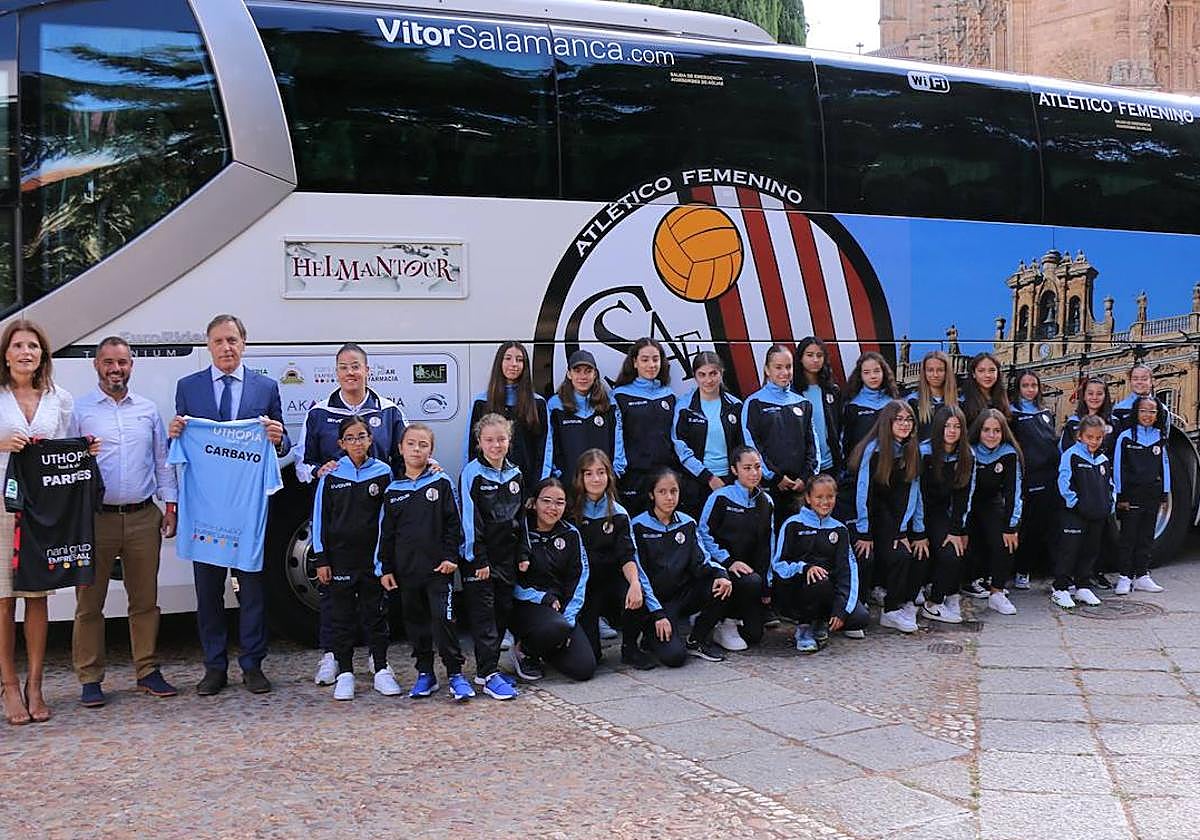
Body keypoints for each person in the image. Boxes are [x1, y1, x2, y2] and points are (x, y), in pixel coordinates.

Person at [169, 314, 289, 696]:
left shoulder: (265, 387)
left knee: (252, 588)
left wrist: (276, 436)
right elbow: (183, 444)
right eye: (219, 341)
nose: (226, 347)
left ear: (244, 343)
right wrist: (176, 434)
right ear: (208, 345)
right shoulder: (188, 387)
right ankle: (214, 667)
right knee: (207, 592)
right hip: (205, 509)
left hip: (246, 509)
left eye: (233, 340)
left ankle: (253, 665)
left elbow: (280, 445)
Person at [72, 336, 178, 709]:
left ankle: (147, 671)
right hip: (95, 519)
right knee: (89, 602)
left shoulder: (147, 410)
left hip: (141, 517)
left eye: (123, 363)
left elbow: (162, 461)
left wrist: (171, 507)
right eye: (109, 363)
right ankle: (89, 677)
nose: (116, 369)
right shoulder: (80, 410)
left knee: (145, 600)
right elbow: (66, 465)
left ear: (131, 366)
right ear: (96, 365)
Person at [298, 343, 406, 687]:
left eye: (356, 366)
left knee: (376, 601)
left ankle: (379, 662)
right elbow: (302, 464)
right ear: (336, 373)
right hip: (338, 521)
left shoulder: (388, 411)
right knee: (335, 601)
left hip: (375, 527)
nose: (350, 373)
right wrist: (321, 471)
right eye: (344, 367)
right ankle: (332, 657)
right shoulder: (318, 412)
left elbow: (403, 460)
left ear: (367, 370)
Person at [0, 320, 87, 724]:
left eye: (33, 346)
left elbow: (63, 451)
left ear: (43, 355)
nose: (25, 352)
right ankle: (10, 687)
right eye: (18, 346)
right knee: (3, 603)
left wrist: (85, 451)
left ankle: (36, 685)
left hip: (42, 512)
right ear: (6, 354)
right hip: (2, 509)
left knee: (37, 598)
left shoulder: (59, 399)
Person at [377, 423, 474, 701]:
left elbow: (453, 524)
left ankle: (455, 674)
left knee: (443, 620)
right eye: (411, 444)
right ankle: (425, 674)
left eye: (423, 445)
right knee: (416, 623)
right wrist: (385, 568)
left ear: (431, 450)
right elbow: (387, 533)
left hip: (438, 571)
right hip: (407, 572)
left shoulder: (440, 482)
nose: (416, 449)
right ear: (400, 448)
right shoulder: (393, 490)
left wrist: (450, 557)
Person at [311, 416, 396, 701]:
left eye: (362, 436)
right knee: (342, 618)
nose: (357, 442)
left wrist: (385, 559)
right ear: (341, 444)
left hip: (373, 561)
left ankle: (381, 669)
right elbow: (320, 518)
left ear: (371, 440)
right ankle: (345, 673)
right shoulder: (332, 475)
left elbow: (389, 520)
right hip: (340, 562)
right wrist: (321, 559)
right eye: (350, 438)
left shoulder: (383, 472)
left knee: (376, 616)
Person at [631, 468, 734, 666]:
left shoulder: (687, 523)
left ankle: (697, 640)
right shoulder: (638, 526)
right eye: (662, 492)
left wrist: (721, 573)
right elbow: (640, 575)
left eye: (674, 491)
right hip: (656, 602)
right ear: (652, 494)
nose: (669, 497)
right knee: (675, 658)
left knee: (723, 585)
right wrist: (658, 613)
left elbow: (702, 559)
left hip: (684, 594)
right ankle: (651, 636)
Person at [571, 448, 663, 669]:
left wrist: (634, 584)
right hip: (584, 586)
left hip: (612, 580)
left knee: (634, 593)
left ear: (609, 476)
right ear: (580, 477)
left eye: (601, 472)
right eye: (589, 473)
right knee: (590, 659)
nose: (595, 478)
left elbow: (627, 554)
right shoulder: (570, 511)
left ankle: (630, 648)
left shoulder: (619, 513)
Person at [848, 400, 927, 634]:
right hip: (865, 517)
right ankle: (857, 609)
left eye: (909, 419)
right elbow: (863, 494)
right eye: (899, 419)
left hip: (893, 519)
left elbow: (915, 494)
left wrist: (909, 530)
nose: (904, 424)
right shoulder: (872, 451)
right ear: (887, 422)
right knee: (865, 555)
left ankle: (892, 610)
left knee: (904, 553)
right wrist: (864, 532)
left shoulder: (912, 451)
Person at [458, 413, 523, 700]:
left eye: (501, 439)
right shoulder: (472, 473)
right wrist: (477, 559)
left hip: (508, 559)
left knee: (501, 614)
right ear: (479, 443)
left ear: (509, 441)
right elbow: (470, 520)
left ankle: (489, 670)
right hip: (481, 562)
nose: (496, 445)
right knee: (484, 619)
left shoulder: (515, 474)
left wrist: (523, 552)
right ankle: (487, 673)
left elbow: (520, 519)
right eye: (489, 440)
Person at [511, 478, 596, 682]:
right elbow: (509, 580)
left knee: (584, 668)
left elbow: (579, 577)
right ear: (534, 502)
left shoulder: (570, 534)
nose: (552, 507)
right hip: (527, 605)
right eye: (546, 501)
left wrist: (569, 618)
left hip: (560, 612)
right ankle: (525, 650)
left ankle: (548, 646)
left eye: (559, 502)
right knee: (556, 627)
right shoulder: (520, 533)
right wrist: (541, 597)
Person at [771, 474, 869, 651]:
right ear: (808, 498)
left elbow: (847, 571)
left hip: (827, 589)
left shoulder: (839, 529)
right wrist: (804, 568)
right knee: (818, 581)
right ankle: (804, 627)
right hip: (797, 589)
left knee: (859, 618)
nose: (825, 502)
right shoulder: (793, 524)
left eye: (830, 497)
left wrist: (841, 610)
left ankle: (821, 622)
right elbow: (779, 564)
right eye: (819, 497)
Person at [697, 446, 774, 651]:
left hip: (752, 578)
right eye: (747, 468)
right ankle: (724, 622)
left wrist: (767, 584)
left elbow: (769, 544)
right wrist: (728, 562)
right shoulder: (720, 498)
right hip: (723, 571)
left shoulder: (766, 502)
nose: (754, 473)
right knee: (749, 580)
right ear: (734, 470)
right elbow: (703, 534)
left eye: (757, 467)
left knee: (754, 636)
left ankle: (741, 618)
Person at [742, 344, 818, 528]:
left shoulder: (803, 403)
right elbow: (752, 445)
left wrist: (805, 477)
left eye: (788, 367)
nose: (784, 372)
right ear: (767, 370)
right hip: (770, 488)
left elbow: (812, 444)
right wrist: (775, 477)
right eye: (778, 367)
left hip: (800, 488)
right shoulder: (754, 403)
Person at [464, 341, 547, 493]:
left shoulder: (538, 404)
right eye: (508, 358)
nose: (514, 364)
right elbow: (470, 450)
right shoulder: (481, 403)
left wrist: (537, 490)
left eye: (519, 360)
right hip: (487, 489)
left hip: (526, 490)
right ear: (499, 363)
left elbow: (544, 450)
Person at [1059, 377, 1117, 592]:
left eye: (1099, 393)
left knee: (1099, 539)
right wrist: (1073, 500)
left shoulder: (1112, 424)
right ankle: (1066, 581)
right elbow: (1066, 459)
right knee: (1074, 542)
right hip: (1081, 491)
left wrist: (1111, 496)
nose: (1094, 397)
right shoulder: (1074, 424)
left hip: (1101, 487)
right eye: (1090, 393)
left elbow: (1113, 457)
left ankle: (1094, 574)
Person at [1051, 416, 1114, 609]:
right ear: (1080, 436)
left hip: (1097, 515)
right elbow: (1064, 482)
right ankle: (1060, 588)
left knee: (1090, 550)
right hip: (1075, 514)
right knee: (1069, 551)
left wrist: (1109, 504)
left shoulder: (1103, 460)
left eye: (1098, 438)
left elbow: (1110, 485)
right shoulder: (1071, 455)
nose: (1093, 442)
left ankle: (1083, 585)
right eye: (1089, 437)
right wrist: (1075, 503)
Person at [918, 406, 973, 624]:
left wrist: (956, 530)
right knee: (918, 554)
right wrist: (918, 530)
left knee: (953, 552)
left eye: (957, 426)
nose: (951, 431)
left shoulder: (967, 455)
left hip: (942, 514)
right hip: (917, 514)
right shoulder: (924, 452)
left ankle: (935, 602)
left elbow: (964, 494)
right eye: (947, 426)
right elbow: (916, 493)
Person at [672, 351, 744, 518]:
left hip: (731, 482)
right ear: (695, 377)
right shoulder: (684, 407)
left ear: (721, 372)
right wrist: (708, 477)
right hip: (697, 483)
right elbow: (681, 448)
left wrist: (737, 478)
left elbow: (743, 447)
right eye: (702, 375)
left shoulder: (736, 406)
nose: (708, 380)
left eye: (713, 373)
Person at [966, 409, 1023, 615]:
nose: (991, 435)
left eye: (997, 431)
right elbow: (965, 490)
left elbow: (1013, 492)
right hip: (967, 505)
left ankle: (997, 592)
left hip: (991, 503)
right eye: (986, 430)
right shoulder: (969, 451)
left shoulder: (1009, 454)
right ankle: (963, 584)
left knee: (1005, 542)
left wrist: (1011, 526)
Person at [612, 337, 678, 515]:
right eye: (645, 359)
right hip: (632, 477)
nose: (651, 365)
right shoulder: (620, 396)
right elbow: (615, 438)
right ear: (634, 362)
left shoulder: (669, 395)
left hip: (663, 476)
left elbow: (674, 437)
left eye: (655, 359)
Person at [1009, 370, 1060, 590]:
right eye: (1025, 385)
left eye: (1034, 385)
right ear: (1018, 388)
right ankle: (1022, 570)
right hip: (1030, 476)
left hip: (1050, 475)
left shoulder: (1045, 412)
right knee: (1028, 525)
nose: (1030, 389)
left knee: (1047, 524)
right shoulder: (1014, 413)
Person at [1112, 397, 1168, 595]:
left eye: (1152, 412)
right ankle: (1125, 577)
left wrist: (1165, 492)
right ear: (1136, 412)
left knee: (1146, 537)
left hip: (1152, 495)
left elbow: (1165, 466)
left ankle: (1142, 576)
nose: (1147, 415)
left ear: (1157, 415)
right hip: (1131, 496)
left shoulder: (1159, 436)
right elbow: (1118, 466)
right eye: (1143, 411)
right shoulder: (1125, 436)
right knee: (1128, 537)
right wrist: (1121, 495)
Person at [543, 349, 624, 484]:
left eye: (588, 371)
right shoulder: (555, 406)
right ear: (569, 374)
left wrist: (612, 475)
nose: (583, 376)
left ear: (595, 374)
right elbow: (549, 446)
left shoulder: (610, 405)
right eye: (577, 371)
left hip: (602, 485)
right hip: (569, 485)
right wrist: (559, 475)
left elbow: (618, 446)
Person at [792, 337, 843, 475]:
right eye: (809, 355)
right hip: (802, 469)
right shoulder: (791, 392)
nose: (815, 359)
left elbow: (840, 426)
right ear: (800, 358)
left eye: (819, 355)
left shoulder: (833, 390)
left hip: (831, 464)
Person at [841, 351, 901, 460]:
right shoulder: (852, 406)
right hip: (862, 466)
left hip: (891, 464)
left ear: (884, 372)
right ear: (860, 375)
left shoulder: (894, 404)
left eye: (876, 371)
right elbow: (846, 443)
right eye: (867, 372)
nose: (872, 376)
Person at [908, 350, 959, 441]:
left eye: (940, 370)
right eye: (930, 370)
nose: (935, 375)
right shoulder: (912, 402)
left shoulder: (960, 403)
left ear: (947, 372)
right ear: (924, 373)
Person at [1110, 363, 1169, 441]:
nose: (1139, 382)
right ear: (1130, 382)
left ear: (1151, 382)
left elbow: (1164, 437)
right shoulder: (1119, 409)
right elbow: (1115, 439)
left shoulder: (1162, 409)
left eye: (1144, 379)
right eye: (1135, 379)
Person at [962, 352, 1012, 426]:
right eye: (981, 371)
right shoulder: (962, 402)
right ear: (973, 374)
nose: (987, 375)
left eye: (992, 370)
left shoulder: (1006, 401)